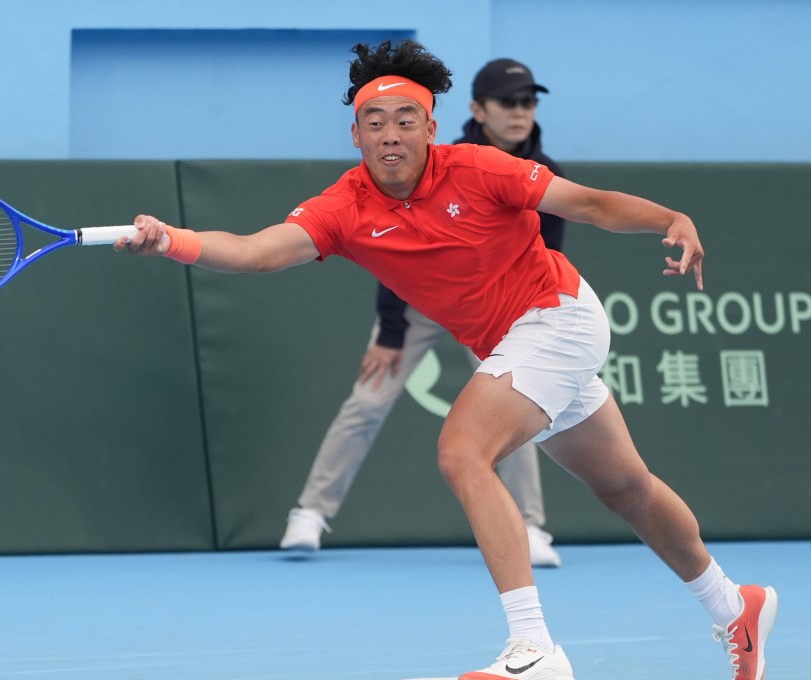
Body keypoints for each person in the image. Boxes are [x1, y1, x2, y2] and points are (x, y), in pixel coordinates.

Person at [114, 39, 775, 680]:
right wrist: (171, 239)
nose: (391, 134)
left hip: (557, 315)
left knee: (462, 449)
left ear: (431, 129)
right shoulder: (343, 206)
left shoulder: (481, 167)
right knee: (626, 488)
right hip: (515, 343)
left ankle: (534, 648)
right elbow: (259, 251)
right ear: (356, 136)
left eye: (406, 121)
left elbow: (590, 204)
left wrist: (671, 217)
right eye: (375, 123)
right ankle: (733, 606)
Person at [278, 57, 566, 568]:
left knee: (513, 412)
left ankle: (531, 526)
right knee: (366, 401)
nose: (519, 112)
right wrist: (390, 330)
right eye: (507, 102)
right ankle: (310, 514)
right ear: (479, 109)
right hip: (416, 307)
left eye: (528, 102)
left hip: (500, 309)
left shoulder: (549, 176)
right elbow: (392, 248)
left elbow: (546, 259)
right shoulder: (437, 156)